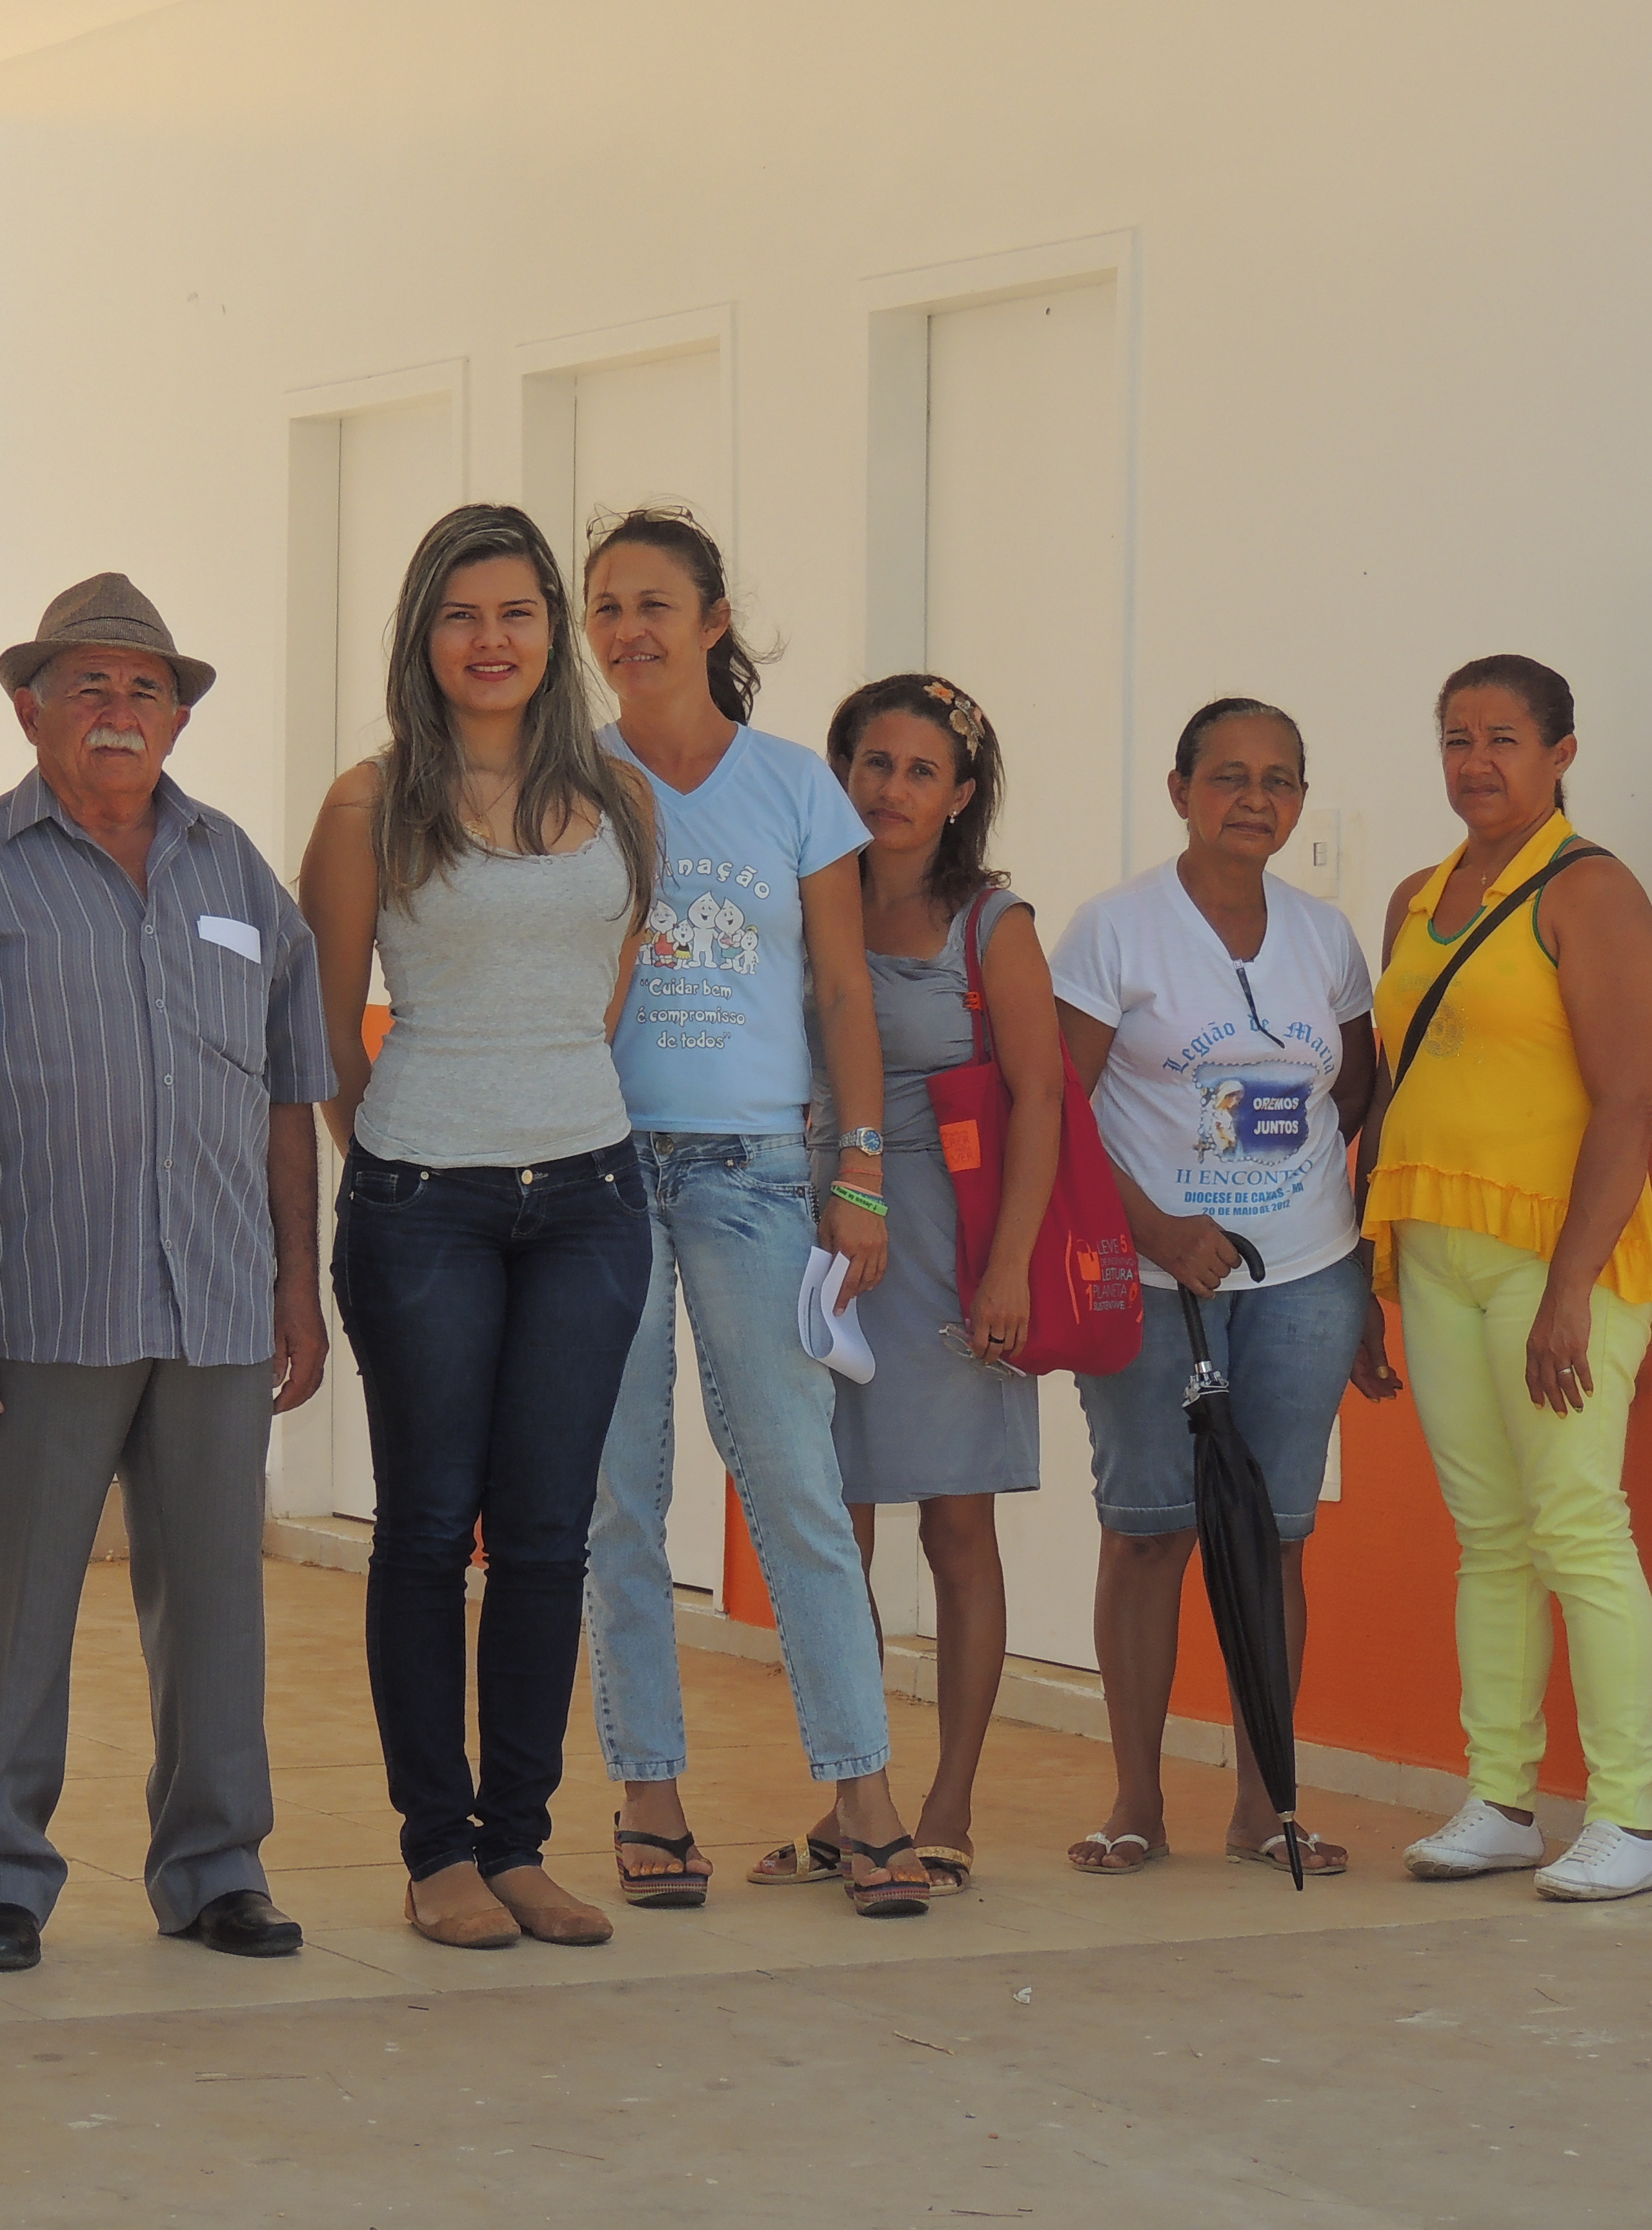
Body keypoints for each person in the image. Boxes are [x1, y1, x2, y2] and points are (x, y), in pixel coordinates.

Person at [0, 575, 332, 1971]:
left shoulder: (235, 871)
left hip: (216, 1303)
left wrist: (297, 1286)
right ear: (30, 710)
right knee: (11, 1609)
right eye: (88, 684)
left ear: (179, 720)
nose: (120, 710)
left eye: (147, 689)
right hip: (34, 1307)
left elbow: (289, 1090)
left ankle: (216, 1870)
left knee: (215, 1610)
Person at [301, 505, 658, 1951]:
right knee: (429, 1532)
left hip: (590, 1201)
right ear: (422, 638)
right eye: (461, 615)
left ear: (553, 634)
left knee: (551, 1537)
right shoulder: (369, 804)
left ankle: (520, 1846)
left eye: (516, 613)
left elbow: (602, 992)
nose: (490, 640)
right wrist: (407, 1153)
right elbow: (327, 1031)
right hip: (424, 1206)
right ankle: (436, 1852)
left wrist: (540, 1104)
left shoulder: (621, 801)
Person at [579, 506, 933, 1919]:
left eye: (655, 604)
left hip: (757, 1174)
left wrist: (861, 1172)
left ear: (714, 621)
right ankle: (648, 1795)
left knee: (795, 1485)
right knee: (618, 1497)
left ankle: (866, 1797)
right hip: (594, 1168)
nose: (628, 631)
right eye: (607, 607)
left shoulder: (793, 786)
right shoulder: (566, 778)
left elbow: (841, 991)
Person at [1051, 698, 1394, 1881]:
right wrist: (1157, 1224)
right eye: (1230, 776)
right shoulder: (1115, 931)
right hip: (1157, 1284)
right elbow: (1060, 1109)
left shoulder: (1326, 936)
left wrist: (1346, 1254)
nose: (1256, 798)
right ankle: (1137, 1800)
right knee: (1149, 1534)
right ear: (1180, 790)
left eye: (1280, 779)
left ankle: (1266, 1803)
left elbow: (1357, 1093)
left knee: (1275, 1541)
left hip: (1306, 1280)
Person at [1362, 655, 1652, 1903]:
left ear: (1561, 755)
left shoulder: (1591, 892)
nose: (1475, 761)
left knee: (1578, 1527)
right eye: (1457, 738)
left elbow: (1631, 1102)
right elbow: (1397, 1085)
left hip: (1561, 1261)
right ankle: (1500, 1801)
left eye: (1503, 738)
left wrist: (1568, 1291)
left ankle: (1630, 1820)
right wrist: (1373, 1264)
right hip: (1435, 1250)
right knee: (1489, 1535)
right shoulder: (1415, 896)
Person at [803, 674, 1060, 1896]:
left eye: (921, 771)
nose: (892, 789)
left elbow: (1043, 1098)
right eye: (874, 763)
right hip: (811, 1235)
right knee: (829, 1530)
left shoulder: (990, 926)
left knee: (958, 1529)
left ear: (960, 796)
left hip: (950, 1248)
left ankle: (948, 1801)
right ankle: (855, 1798)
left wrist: (1008, 1266)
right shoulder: (808, 898)